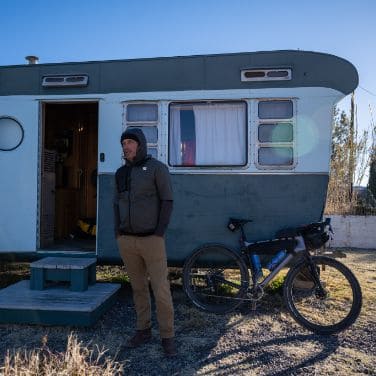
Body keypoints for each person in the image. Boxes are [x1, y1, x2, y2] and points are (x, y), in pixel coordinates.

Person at [113, 127, 176, 357]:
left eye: (130, 142)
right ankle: (143, 330)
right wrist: (117, 233)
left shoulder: (157, 169)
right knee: (138, 288)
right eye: (123, 143)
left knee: (161, 289)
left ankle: (167, 336)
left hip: (152, 240)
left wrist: (159, 232)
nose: (126, 146)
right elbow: (115, 204)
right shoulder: (120, 173)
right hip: (127, 241)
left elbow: (168, 201)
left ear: (140, 145)